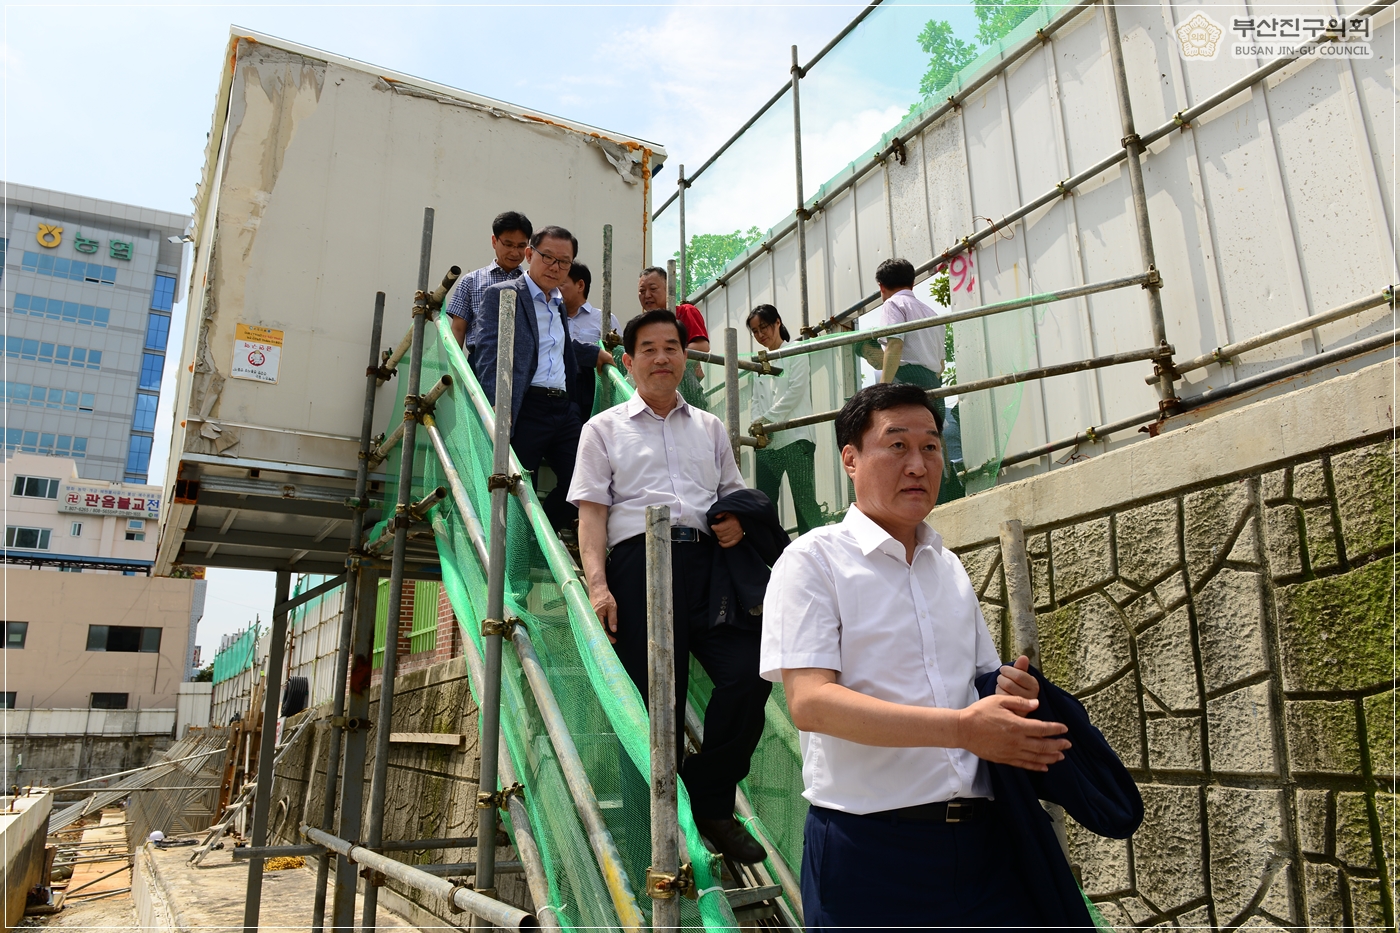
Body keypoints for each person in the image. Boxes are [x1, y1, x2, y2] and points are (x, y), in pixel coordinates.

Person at [760, 383, 1073, 929]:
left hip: (984, 842)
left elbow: (979, 682)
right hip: (870, 852)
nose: (919, 464)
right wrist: (961, 729)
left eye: (931, 447)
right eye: (897, 445)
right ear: (850, 459)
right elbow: (810, 703)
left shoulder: (945, 564)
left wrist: (1011, 693)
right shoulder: (812, 561)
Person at [568, 309, 773, 865]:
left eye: (672, 347)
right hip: (637, 565)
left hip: (709, 567)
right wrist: (598, 586)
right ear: (629, 361)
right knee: (655, 697)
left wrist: (731, 518)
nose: (662, 357)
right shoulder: (602, 428)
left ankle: (709, 799)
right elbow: (591, 514)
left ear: (685, 356)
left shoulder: (708, 427)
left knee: (751, 673)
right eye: (649, 349)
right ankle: (648, 826)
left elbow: (733, 491)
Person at [472, 225, 582, 532]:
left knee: (585, 482)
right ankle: (513, 558)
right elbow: (488, 355)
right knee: (515, 483)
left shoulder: (559, 304)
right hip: (525, 404)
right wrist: (498, 406)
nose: (555, 267)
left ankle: (538, 540)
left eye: (564, 262)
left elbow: (559, 351)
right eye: (548, 257)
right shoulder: (502, 295)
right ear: (530, 254)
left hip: (563, 409)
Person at [746, 305, 823, 535]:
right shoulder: (757, 363)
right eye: (755, 331)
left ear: (777, 322)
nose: (761, 335)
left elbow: (795, 392)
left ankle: (816, 554)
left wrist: (766, 421)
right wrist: (758, 426)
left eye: (764, 327)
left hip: (796, 438)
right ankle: (773, 559)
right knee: (765, 504)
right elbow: (755, 401)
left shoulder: (796, 351)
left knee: (804, 501)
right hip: (768, 442)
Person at [445, 211, 532, 356]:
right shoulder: (471, 281)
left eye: (521, 246)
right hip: (481, 359)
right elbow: (458, 330)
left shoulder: (532, 283)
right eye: (508, 244)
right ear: (494, 241)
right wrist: (454, 370)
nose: (515, 252)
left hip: (522, 362)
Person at [637, 266, 709, 410]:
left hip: (684, 383)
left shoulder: (685, 312)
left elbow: (702, 347)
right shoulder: (641, 325)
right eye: (642, 291)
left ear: (668, 289)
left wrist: (669, 355)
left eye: (653, 288)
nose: (647, 295)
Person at [873, 257, 944, 391]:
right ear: (912, 284)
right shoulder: (932, 313)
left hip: (906, 380)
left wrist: (882, 388)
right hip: (934, 382)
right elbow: (942, 364)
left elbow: (895, 345)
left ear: (881, 287)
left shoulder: (892, 303)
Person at [562, 261, 620, 420]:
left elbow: (618, 360)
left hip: (592, 397)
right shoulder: (551, 319)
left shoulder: (604, 319)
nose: (555, 289)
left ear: (580, 285)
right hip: (558, 395)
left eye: (561, 284)